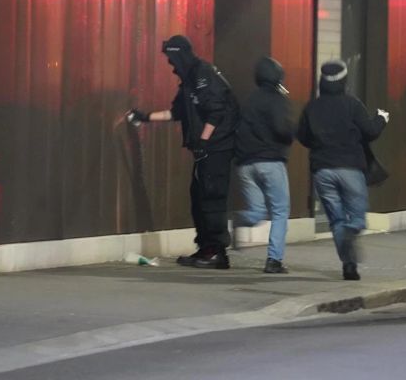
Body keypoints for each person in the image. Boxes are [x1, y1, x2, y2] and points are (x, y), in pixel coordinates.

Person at [128, 35, 239, 269]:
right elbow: (177, 112)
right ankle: (206, 248)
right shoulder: (190, 80)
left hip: (216, 148)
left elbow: (216, 112)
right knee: (198, 197)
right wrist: (145, 117)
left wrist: (203, 141)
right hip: (206, 150)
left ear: (180, 55)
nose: (170, 65)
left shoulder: (202, 75)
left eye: (171, 58)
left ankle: (216, 252)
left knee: (211, 197)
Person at [297, 59, 388, 281]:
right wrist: (381, 119)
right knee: (356, 215)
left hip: (322, 170)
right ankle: (353, 229)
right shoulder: (352, 104)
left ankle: (349, 266)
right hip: (349, 167)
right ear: (344, 81)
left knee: (336, 220)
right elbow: (370, 132)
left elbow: (302, 136)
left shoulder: (312, 107)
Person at [232, 56, 294, 274]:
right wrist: (290, 134)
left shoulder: (248, 100)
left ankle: (241, 219)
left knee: (258, 210)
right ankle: (273, 260)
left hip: (246, 164)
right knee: (279, 211)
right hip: (271, 162)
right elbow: (281, 129)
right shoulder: (277, 99)